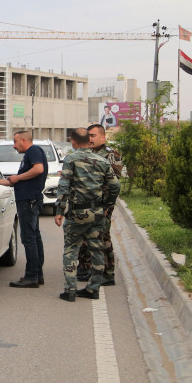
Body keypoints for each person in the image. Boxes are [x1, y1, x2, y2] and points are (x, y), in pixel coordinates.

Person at [54, 127, 121, 301]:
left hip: (77, 212)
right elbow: (115, 186)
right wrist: (107, 204)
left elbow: (63, 186)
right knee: (97, 250)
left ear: (73, 141)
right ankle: (93, 289)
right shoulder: (102, 160)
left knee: (71, 249)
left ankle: (70, 290)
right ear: (88, 140)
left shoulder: (71, 159)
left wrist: (60, 210)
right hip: (97, 212)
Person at [0, 130, 47, 288]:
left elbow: (38, 169)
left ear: (24, 141)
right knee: (34, 237)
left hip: (29, 201)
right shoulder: (29, 155)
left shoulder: (34, 151)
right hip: (29, 200)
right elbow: (12, 181)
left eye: (15, 142)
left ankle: (31, 276)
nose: (14, 146)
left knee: (29, 238)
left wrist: (18, 178)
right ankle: (37, 274)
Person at [77, 124, 124, 287]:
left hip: (102, 204)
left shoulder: (110, 154)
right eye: (88, 136)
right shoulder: (87, 153)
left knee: (103, 237)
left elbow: (114, 183)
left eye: (93, 135)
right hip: (87, 203)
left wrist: (106, 206)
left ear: (103, 137)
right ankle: (86, 267)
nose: (90, 139)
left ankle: (108, 274)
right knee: (86, 236)